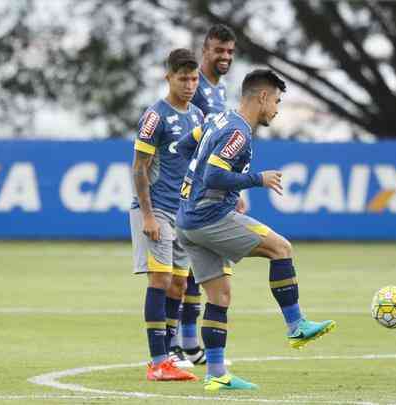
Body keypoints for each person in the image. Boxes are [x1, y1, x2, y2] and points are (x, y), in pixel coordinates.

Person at [176, 69, 336, 391]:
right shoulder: (239, 132)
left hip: (187, 221)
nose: (277, 109)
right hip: (210, 219)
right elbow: (213, 177)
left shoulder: (217, 120)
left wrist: (205, 189)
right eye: (276, 101)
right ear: (262, 97)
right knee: (282, 248)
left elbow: (182, 147)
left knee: (220, 296)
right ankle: (296, 325)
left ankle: (216, 374)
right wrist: (256, 180)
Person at [130, 48, 205, 381]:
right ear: (169, 77)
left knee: (178, 285)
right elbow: (139, 168)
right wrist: (147, 216)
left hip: (184, 211)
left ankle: (169, 357)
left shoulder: (199, 116)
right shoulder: (155, 116)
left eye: (193, 78)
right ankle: (157, 361)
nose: (189, 84)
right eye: (182, 78)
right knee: (159, 280)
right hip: (156, 209)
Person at [176, 24, 244, 366]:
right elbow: (191, 143)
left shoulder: (220, 90)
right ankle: (177, 343)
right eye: (219, 50)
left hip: (212, 189)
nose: (225, 57)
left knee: (194, 271)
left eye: (230, 51)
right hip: (194, 191)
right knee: (183, 270)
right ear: (205, 50)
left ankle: (189, 345)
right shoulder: (195, 88)